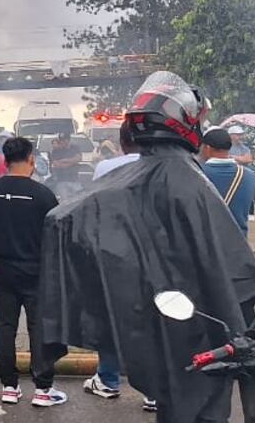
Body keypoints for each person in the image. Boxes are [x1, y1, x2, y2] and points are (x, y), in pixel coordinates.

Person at [39, 72, 255, 423]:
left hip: (167, 316)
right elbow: (229, 266)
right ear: (185, 122)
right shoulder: (185, 178)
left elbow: (64, 217)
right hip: (197, 324)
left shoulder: (139, 178)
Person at [0, 136, 65, 407]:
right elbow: (55, 236)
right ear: (31, 159)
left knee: (5, 327)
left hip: (2, 268)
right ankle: (42, 390)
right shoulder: (43, 194)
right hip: (36, 270)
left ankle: (9, 387)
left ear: (5, 161)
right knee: (39, 328)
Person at [84, 120, 142, 403]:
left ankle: (108, 380)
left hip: (112, 252)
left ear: (121, 143)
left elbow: (96, 207)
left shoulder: (105, 168)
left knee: (109, 317)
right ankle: (153, 392)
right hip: (153, 255)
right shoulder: (163, 167)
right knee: (152, 319)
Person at [198, 128, 255, 235]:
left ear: (207, 148)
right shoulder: (249, 175)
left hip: (207, 240)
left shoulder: (197, 173)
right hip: (238, 240)